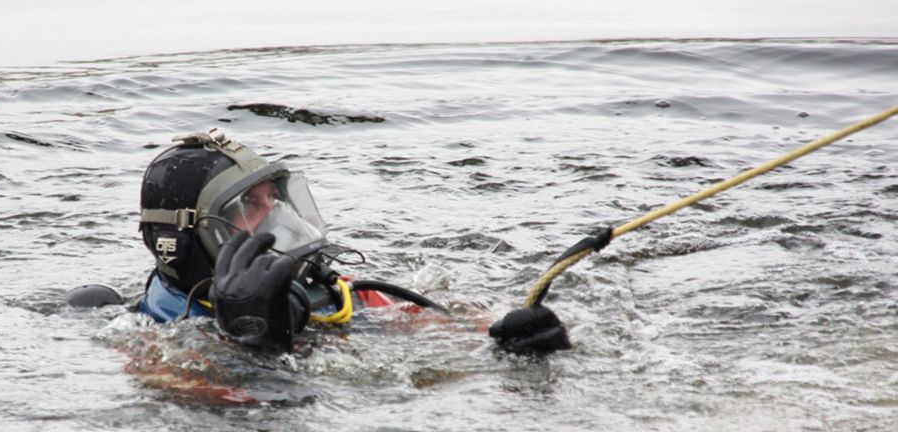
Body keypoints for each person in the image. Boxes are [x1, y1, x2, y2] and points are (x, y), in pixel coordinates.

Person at [65, 128, 567, 356]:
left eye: (273, 197)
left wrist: (522, 340)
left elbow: (449, 336)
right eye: (248, 207)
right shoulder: (152, 345)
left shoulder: (334, 291)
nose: (277, 216)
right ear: (188, 239)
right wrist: (257, 348)